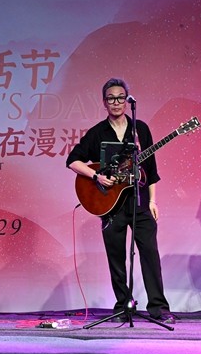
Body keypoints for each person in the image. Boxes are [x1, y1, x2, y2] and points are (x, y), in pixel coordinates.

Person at [66, 77, 174, 325]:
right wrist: (96, 176)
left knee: (149, 253)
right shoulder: (97, 132)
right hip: (110, 204)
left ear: (127, 101)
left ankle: (158, 307)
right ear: (104, 102)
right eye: (111, 98)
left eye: (120, 98)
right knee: (116, 258)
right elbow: (72, 161)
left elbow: (151, 169)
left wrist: (153, 201)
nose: (116, 102)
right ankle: (123, 304)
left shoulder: (140, 129)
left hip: (140, 202)